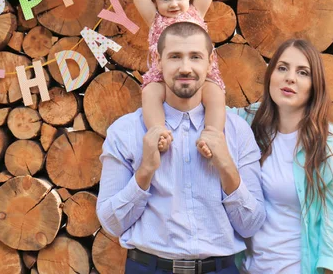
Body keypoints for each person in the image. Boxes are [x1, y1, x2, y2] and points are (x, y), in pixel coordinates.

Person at [96, 21, 265, 274]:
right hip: (148, 268)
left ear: (210, 62)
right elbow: (111, 223)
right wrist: (145, 171)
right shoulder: (125, 132)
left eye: (195, 57)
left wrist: (226, 165)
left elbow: (251, 224)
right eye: (175, 57)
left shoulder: (237, 132)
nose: (185, 68)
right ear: (158, 60)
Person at [230, 39, 333, 274]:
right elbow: (203, 106)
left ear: (315, 85)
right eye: (282, 68)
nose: (290, 78)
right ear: (270, 75)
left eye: (303, 72)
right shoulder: (248, 124)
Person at [133, 0, 225, 153]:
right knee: (150, 93)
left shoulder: (196, 11)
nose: (174, 4)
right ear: (156, 0)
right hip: (162, 74)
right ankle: (159, 132)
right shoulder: (155, 18)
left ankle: (212, 133)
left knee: (215, 94)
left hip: (201, 74)